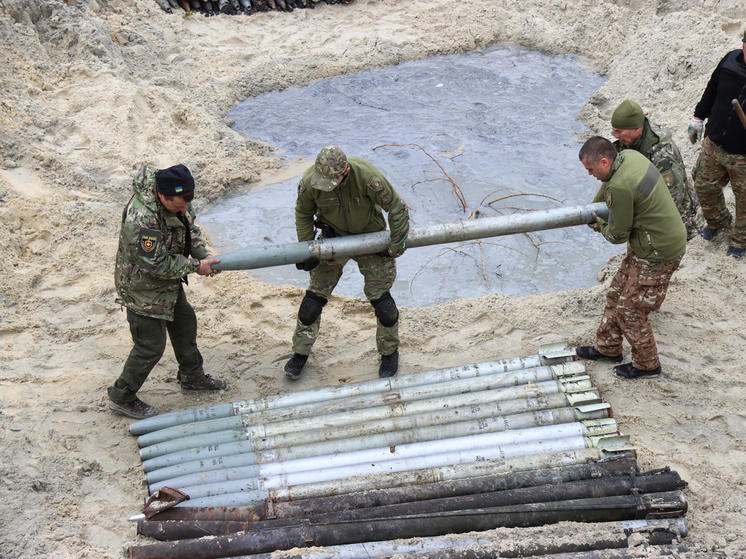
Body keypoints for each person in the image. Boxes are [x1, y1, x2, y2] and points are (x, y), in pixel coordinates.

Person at [108, 164, 227, 419]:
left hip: (168, 282)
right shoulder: (142, 218)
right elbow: (155, 263)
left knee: (185, 324)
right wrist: (197, 267)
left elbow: (190, 228)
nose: (183, 209)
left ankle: (192, 376)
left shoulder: (181, 198)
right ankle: (122, 396)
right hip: (142, 288)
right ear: (163, 197)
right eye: (177, 206)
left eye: (186, 204)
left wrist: (201, 254)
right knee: (150, 346)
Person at [285, 146, 409, 380]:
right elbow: (302, 212)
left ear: (346, 172)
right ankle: (300, 353)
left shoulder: (368, 177)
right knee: (312, 302)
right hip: (334, 239)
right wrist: (307, 248)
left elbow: (397, 208)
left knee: (383, 304)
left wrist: (394, 246)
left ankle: (389, 352)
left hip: (371, 239)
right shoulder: (311, 181)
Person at [575, 137, 686, 379]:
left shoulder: (621, 187)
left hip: (658, 252)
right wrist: (594, 205)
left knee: (630, 309)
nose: (590, 175)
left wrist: (599, 224)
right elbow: (608, 187)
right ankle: (608, 348)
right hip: (648, 242)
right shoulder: (630, 158)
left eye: (591, 170)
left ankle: (648, 365)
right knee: (616, 293)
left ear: (604, 161)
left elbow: (616, 234)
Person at [687, 30, 746, 259]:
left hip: (743, 154)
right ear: (743, 45)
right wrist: (698, 117)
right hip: (715, 141)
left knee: (744, 200)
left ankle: (740, 241)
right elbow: (712, 88)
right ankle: (718, 221)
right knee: (703, 184)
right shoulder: (730, 59)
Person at [611, 99, 703, 239]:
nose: (616, 136)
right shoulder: (630, 141)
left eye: (619, 132)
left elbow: (673, 198)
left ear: (637, 129)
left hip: (680, 223)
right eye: (614, 132)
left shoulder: (662, 156)